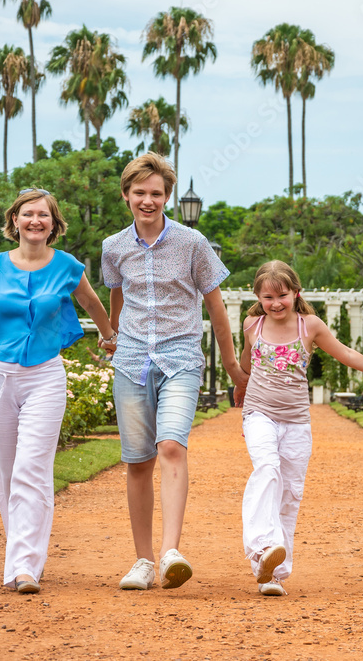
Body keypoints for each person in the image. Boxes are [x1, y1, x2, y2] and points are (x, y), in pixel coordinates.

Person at [102, 152, 249, 591]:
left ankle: (170, 553)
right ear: (127, 195)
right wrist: (111, 335)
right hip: (130, 361)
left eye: (157, 194)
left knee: (170, 445)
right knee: (137, 462)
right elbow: (117, 298)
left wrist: (232, 367)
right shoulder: (113, 247)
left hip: (181, 358)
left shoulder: (192, 242)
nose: (148, 201)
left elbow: (217, 308)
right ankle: (142, 561)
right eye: (140, 193)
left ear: (167, 197)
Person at [0, 188, 117, 595]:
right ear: (14, 220)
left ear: (53, 223)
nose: (35, 221)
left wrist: (108, 335)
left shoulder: (66, 265)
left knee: (31, 469)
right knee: (7, 474)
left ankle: (25, 567)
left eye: (43, 215)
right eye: (27, 214)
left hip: (44, 377)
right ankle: (21, 556)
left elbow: (93, 302)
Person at [235, 260, 363, 596]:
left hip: (296, 422)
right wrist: (239, 383)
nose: (275, 303)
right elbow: (247, 360)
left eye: (282, 295)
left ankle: (271, 573)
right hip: (259, 414)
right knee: (267, 470)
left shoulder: (311, 326)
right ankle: (262, 547)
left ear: (296, 293)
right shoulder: (252, 324)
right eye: (268, 297)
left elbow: (347, 354)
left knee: (290, 494)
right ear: (258, 298)